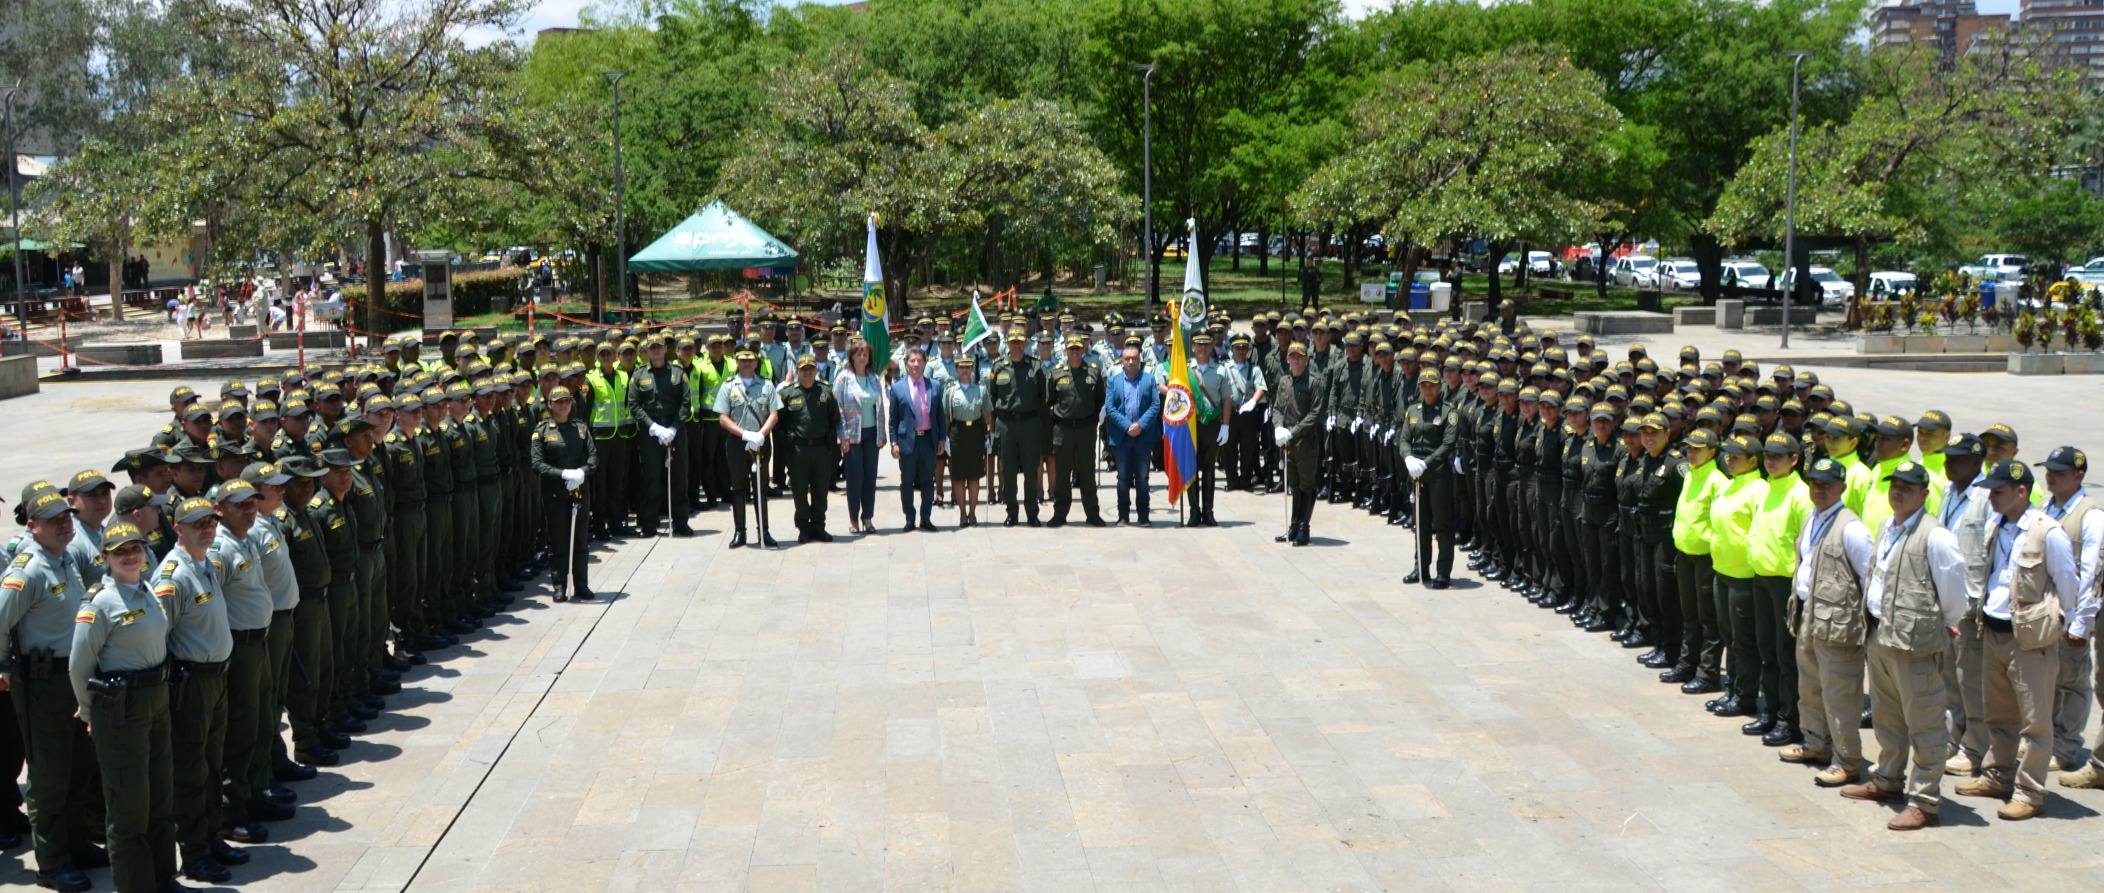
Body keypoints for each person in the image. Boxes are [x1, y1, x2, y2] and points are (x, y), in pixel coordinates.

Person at [1837, 460, 1971, 830]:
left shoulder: (1935, 536)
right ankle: (1888, 780)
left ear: (1924, 494)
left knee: (1925, 722)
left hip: (1916, 643)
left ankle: (1925, 800)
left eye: (1908, 488)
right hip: (1881, 635)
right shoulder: (1886, 526)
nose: (1898, 492)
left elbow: (1954, 593)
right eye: (1895, 486)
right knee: (1887, 717)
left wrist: (1944, 625)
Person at [1955, 460, 2084, 820]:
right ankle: (1998, 776)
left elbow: (2068, 584)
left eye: (1998, 492)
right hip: (1994, 630)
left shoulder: (2048, 532)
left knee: (2036, 723)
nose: (1991, 498)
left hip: (2028, 640)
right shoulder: (1997, 524)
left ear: (2021, 491)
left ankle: (2029, 792)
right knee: (1999, 715)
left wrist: (2060, 624)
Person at [70, 518, 178, 893]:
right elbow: (79, 664)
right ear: (106, 559)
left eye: (135, 548)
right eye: (121, 552)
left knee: (161, 798)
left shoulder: (146, 588)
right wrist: (88, 712)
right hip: (122, 709)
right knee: (129, 809)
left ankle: (165, 879)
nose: (131, 556)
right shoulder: (100, 603)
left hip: (156, 700)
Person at [1, 483, 99, 893]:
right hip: (43, 685)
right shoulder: (28, 570)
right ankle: (52, 862)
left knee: (78, 768)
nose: (64, 524)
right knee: (49, 777)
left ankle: (77, 845)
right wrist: (3, 666)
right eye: (53, 520)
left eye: (66, 517)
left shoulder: (65, 561)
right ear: (33, 525)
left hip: (73, 680)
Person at [156, 493, 237, 883]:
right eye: (197, 524)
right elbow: (159, 639)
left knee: (212, 764)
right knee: (190, 771)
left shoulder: (204, 564)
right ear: (178, 529)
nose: (207, 528)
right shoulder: (173, 577)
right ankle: (194, 853)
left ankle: (212, 837)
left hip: (216, 679)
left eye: (210, 522)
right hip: (191, 687)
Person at [1780, 457, 1873, 786]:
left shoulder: (1852, 528)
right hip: (1808, 614)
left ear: (1842, 487)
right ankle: (1816, 743)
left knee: (1841, 694)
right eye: (1814, 483)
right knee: (1810, 686)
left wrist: (1866, 628)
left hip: (1838, 625)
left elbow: (1869, 578)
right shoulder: (1811, 518)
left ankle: (1847, 759)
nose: (1818, 489)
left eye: (1827, 484)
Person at [2034, 447, 2102, 776]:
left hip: (2071, 615)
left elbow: (2090, 575)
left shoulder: (2091, 515)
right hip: (2045, 614)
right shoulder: (2046, 507)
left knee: (2072, 682)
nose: (2051, 476)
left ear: (2079, 476)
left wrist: (2081, 624)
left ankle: (2065, 746)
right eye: (2049, 470)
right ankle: (2045, 738)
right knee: (2046, 679)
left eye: (2059, 472)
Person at [530, 387, 595, 600]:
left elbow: (593, 459)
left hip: (579, 491)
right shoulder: (542, 431)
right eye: (558, 402)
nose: (563, 405)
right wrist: (563, 474)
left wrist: (581, 473)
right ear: (550, 405)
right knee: (558, 540)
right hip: (555, 493)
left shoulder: (581, 428)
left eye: (566, 401)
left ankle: (581, 585)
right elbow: (537, 463)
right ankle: (559, 585)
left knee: (580, 541)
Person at [714, 349, 781, 549]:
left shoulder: (767, 385)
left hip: (760, 442)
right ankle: (739, 532)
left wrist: (761, 434)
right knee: (738, 488)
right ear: (736, 362)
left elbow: (774, 414)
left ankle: (764, 532)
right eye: (742, 360)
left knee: (760, 488)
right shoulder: (728, 386)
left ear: (756, 362)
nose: (746, 364)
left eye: (750, 360)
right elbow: (723, 418)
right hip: (737, 442)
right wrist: (744, 435)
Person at [627, 336, 693, 538]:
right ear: (647, 351)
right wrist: (653, 427)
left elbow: (685, 402)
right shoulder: (639, 375)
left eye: (659, 347)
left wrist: (673, 428)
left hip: (675, 429)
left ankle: (681, 521)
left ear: (666, 349)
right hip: (651, 432)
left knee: (679, 476)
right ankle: (649, 523)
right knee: (651, 478)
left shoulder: (677, 372)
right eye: (652, 348)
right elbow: (634, 405)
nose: (656, 351)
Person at [1400, 368, 1459, 586]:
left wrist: (1426, 462)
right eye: (1424, 385)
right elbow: (1404, 438)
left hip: (1437, 473)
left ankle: (1443, 572)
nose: (1428, 389)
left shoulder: (1448, 412)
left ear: (1439, 386)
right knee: (1420, 523)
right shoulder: (1413, 410)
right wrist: (1408, 458)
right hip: (1416, 474)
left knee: (1442, 524)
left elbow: (1448, 444)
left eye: (1432, 385)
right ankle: (1421, 568)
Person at [779, 356, 842, 543]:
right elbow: (780, 422)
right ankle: (803, 528)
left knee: (821, 491)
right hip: (798, 451)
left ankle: (818, 527)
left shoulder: (826, 391)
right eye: (803, 369)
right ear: (797, 372)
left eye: (810, 369)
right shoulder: (788, 394)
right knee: (799, 491)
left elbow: (834, 417)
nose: (807, 372)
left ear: (816, 371)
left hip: (821, 449)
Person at [988, 332, 1048, 527]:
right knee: (1008, 470)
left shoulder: (1035, 365)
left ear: (1026, 343)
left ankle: (1032, 513)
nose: (1016, 346)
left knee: (1031, 470)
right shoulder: (998, 367)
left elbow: (1042, 395)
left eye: (1020, 342)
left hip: (1030, 423)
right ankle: (1011, 512)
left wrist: (1028, 413)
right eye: (1013, 342)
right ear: (1007, 343)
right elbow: (992, 395)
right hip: (1006, 425)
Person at [1047, 336, 1107, 528]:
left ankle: (1092, 513)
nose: (1074, 352)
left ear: (1083, 350)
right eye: (1070, 349)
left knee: (1088, 473)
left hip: (1085, 429)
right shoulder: (1056, 374)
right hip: (1063, 429)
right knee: (1062, 474)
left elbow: (1100, 400)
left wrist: (1092, 421)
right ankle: (1060, 513)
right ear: (1065, 351)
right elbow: (1050, 401)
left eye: (1077, 349)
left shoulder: (1093, 373)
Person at [1272, 342, 1327, 546]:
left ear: (1306, 359)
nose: (1296, 360)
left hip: (1306, 442)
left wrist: (1292, 432)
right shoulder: (1284, 382)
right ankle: (1294, 525)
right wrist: (1278, 427)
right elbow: (1277, 408)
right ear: (1287, 359)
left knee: (1307, 484)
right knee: (1294, 485)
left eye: (1299, 357)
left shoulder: (1314, 382)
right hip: (1289, 443)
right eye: (1292, 356)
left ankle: (1305, 527)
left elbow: (1315, 414)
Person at [887, 348, 947, 531]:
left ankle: (926, 518)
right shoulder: (898, 388)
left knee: (928, 481)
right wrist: (894, 442)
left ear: (925, 362)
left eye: (919, 361)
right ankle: (910, 518)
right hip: (907, 442)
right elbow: (893, 419)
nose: (916, 364)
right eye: (912, 361)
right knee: (907, 481)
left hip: (928, 440)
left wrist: (942, 439)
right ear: (906, 363)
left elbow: (940, 416)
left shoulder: (934, 386)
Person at [835, 339, 886, 535]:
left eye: (865, 354)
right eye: (858, 353)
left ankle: (868, 517)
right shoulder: (843, 378)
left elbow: (880, 408)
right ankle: (854, 519)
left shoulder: (873, 378)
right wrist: (843, 437)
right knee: (855, 477)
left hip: (872, 433)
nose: (862, 357)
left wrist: (881, 435)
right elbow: (838, 410)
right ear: (852, 356)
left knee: (870, 477)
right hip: (852, 435)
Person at [1105, 345, 1160, 526]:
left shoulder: (1150, 379)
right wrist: (1128, 426)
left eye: (1134, 358)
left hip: (1143, 437)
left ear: (1139, 360)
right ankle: (1123, 515)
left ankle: (1143, 516)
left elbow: (1155, 405)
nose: (1130, 362)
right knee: (1123, 478)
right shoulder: (1113, 381)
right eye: (1127, 358)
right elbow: (1110, 409)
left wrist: (1140, 425)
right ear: (1121, 361)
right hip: (1122, 436)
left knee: (1143, 478)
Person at [944, 356, 988, 527]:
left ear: (972, 369)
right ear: (956, 369)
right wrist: (945, 437)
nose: (965, 370)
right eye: (961, 367)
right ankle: (963, 513)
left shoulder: (980, 390)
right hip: (957, 434)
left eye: (968, 367)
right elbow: (947, 416)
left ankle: (973, 513)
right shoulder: (950, 391)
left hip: (975, 433)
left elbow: (987, 414)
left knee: (974, 476)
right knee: (959, 476)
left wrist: (989, 435)